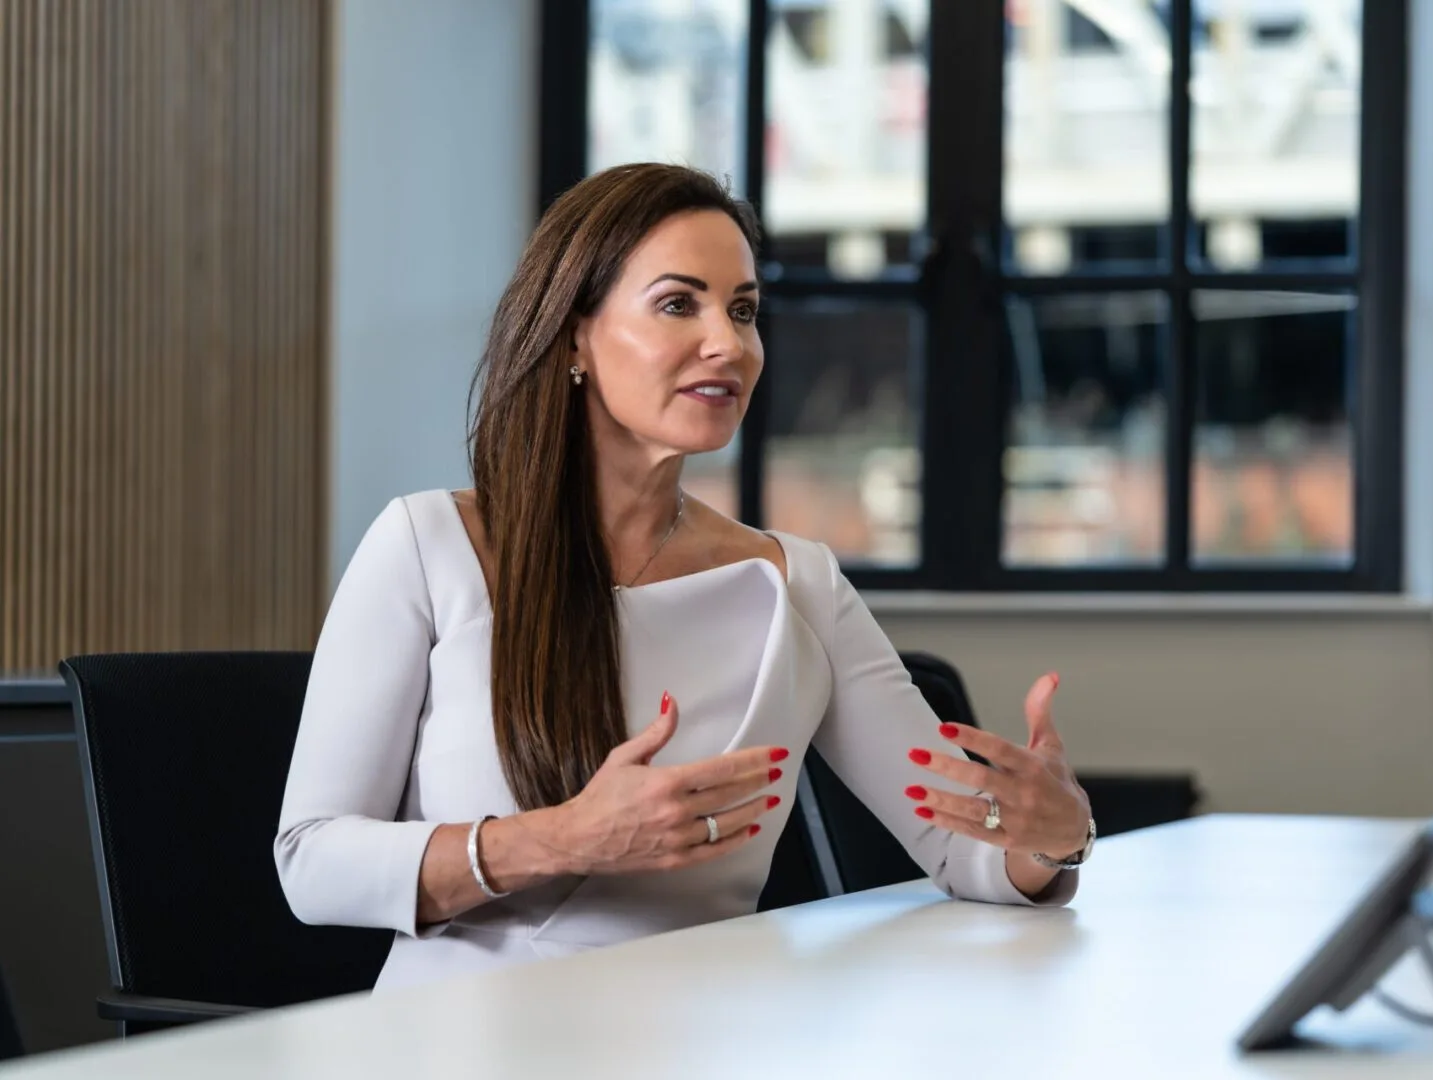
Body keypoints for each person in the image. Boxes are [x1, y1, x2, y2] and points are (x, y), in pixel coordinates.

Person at [274, 163, 1093, 991]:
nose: (728, 343)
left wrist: (1048, 835)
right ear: (573, 339)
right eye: (678, 303)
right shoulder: (428, 544)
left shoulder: (797, 585)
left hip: (705, 1040)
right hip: (454, 1042)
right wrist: (561, 838)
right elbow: (311, 862)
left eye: (742, 310)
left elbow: (961, 849)